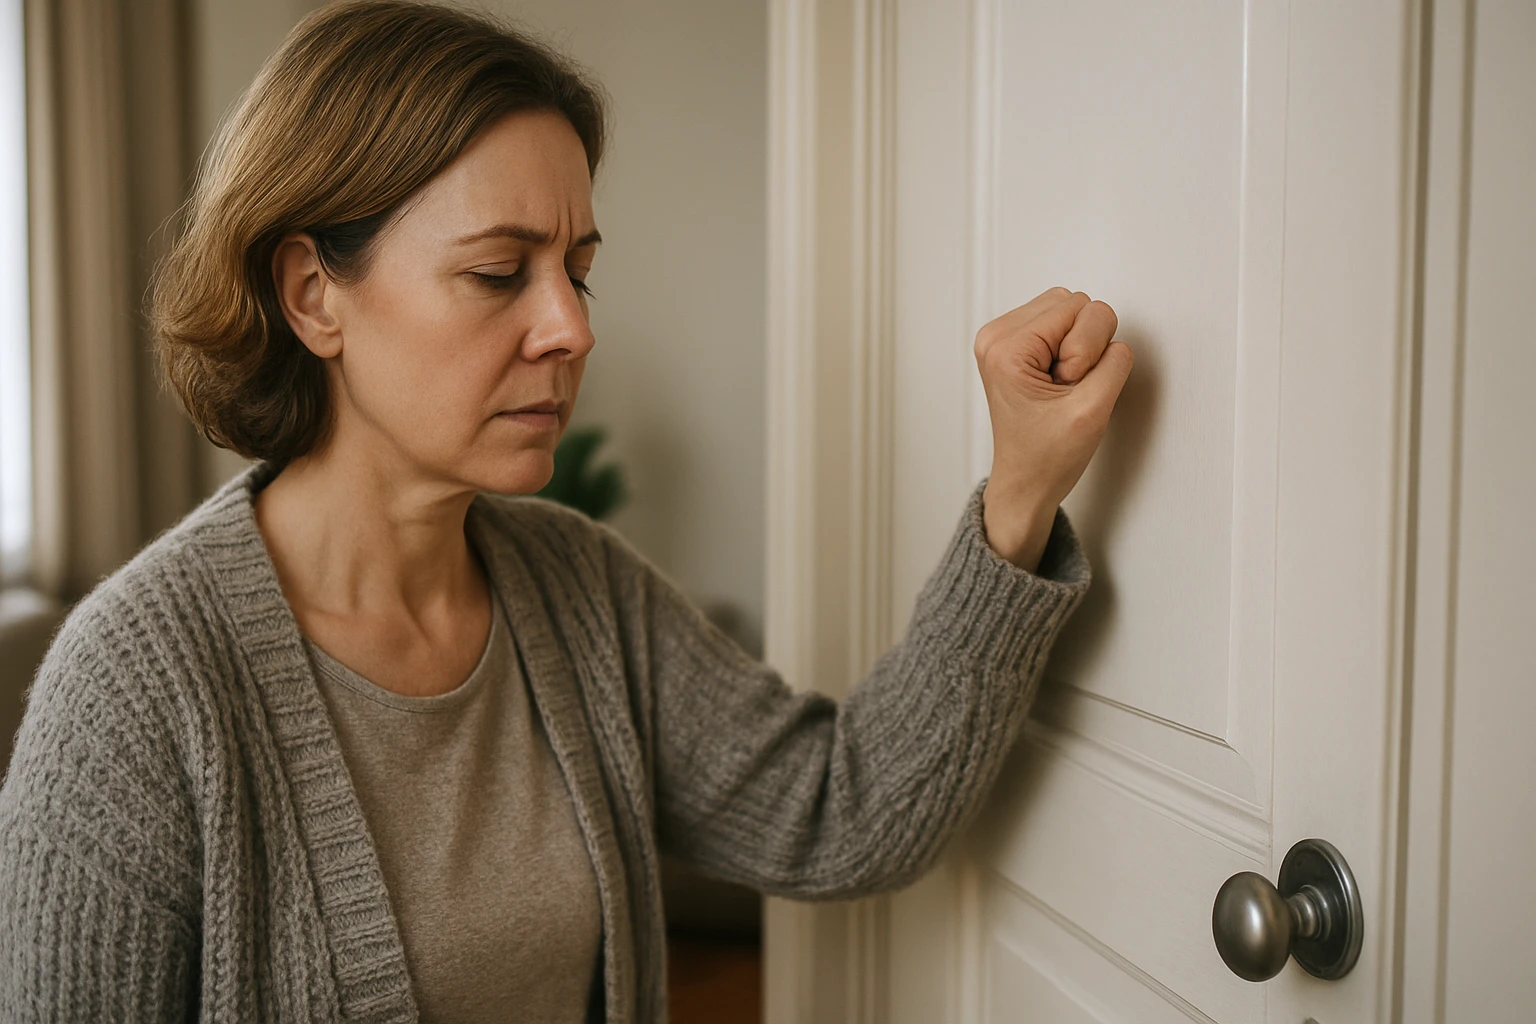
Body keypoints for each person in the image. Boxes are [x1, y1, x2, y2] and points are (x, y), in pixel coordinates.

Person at [0, 1, 1133, 1021]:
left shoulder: (580, 586)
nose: (571, 327)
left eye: (577, 269)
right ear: (314, 296)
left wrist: (1021, 491)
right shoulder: (135, 692)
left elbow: (845, 812)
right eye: (500, 273)